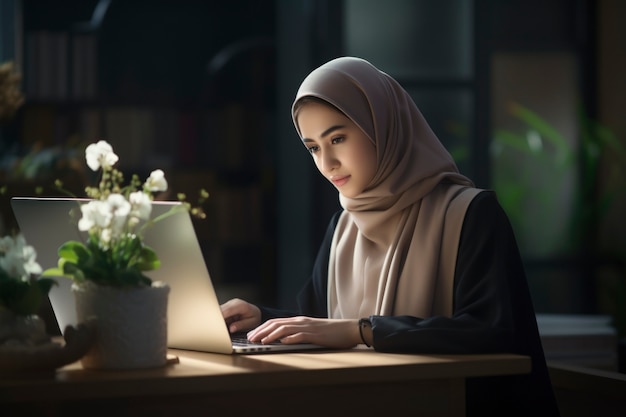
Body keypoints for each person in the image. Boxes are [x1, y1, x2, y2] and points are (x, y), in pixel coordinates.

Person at [220, 56, 560, 416]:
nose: (327, 163)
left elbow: (489, 329)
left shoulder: (471, 213)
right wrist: (261, 317)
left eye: (337, 137)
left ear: (382, 125)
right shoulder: (343, 226)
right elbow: (322, 324)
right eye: (314, 147)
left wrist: (363, 332)